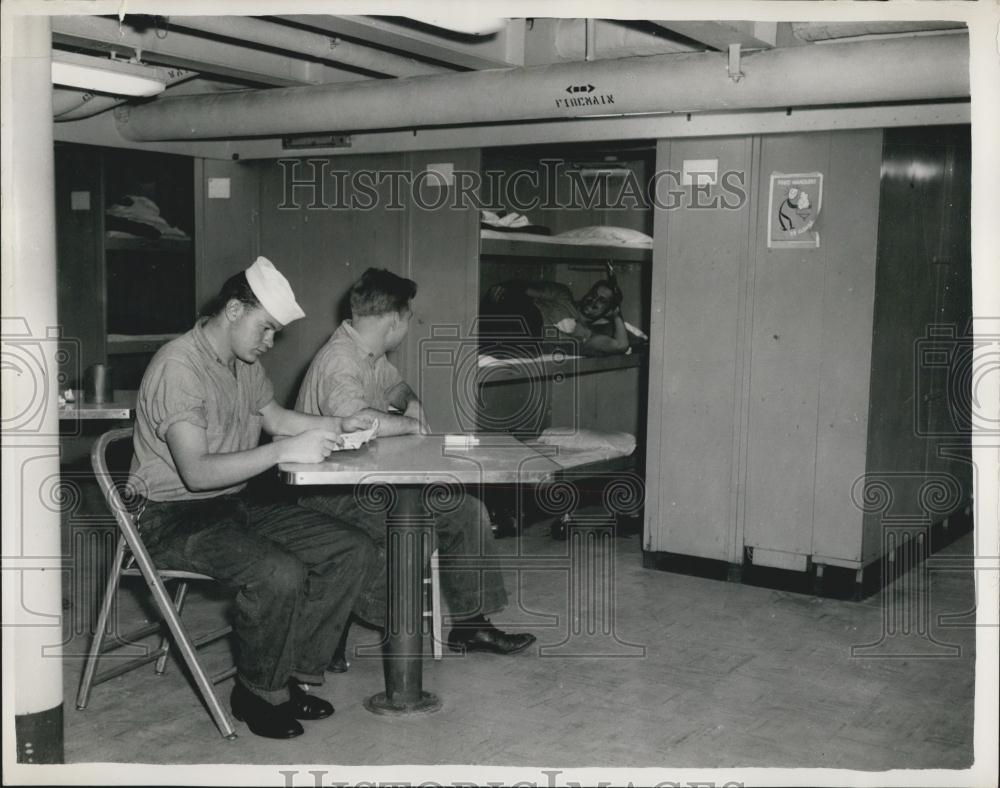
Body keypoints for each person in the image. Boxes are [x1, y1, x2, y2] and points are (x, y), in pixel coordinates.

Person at [129, 256, 377, 739]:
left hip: (230, 506)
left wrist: (337, 424)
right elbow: (197, 474)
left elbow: (278, 420)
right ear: (235, 310)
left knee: (352, 549)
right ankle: (257, 692)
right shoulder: (179, 365)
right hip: (169, 518)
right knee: (278, 571)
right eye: (266, 329)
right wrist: (284, 450)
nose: (269, 343)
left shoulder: (242, 363)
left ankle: (286, 676)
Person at [296, 267, 537, 665]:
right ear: (395, 320)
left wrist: (411, 402)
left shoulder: (366, 351)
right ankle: (339, 628)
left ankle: (470, 623)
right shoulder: (340, 359)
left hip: (363, 482)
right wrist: (408, 423)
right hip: (325, 493)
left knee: (466, 512)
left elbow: (394, 385)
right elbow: (351, 415)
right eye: (408, 318)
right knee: (413, 530)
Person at [480, 277, 630, 356]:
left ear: (608, 311)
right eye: (593, 294)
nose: (594, 300)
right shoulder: (563, 295)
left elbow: (621, 346)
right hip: (521, 314)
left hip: (530, 339)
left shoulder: (587, 337)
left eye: (602, 301)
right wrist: (501, 289)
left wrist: (617, 315)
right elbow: (523, 288)